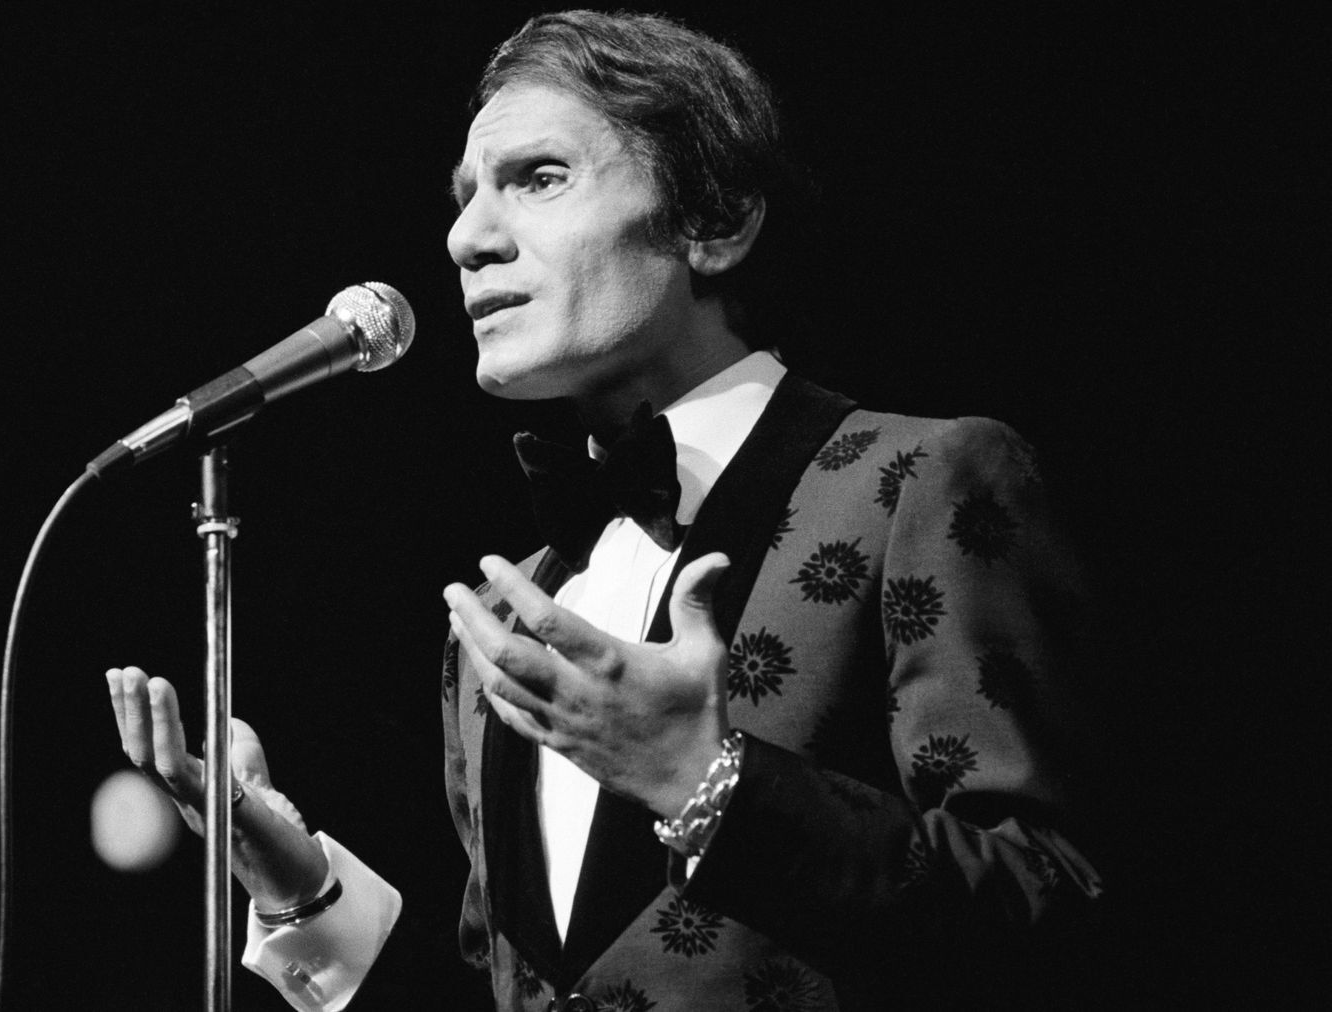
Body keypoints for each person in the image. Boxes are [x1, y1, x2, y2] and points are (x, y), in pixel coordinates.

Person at [107, 10, 1104, 1010]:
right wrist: (302, 891)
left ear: (715, 220)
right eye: (465, 197)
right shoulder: (498, 626)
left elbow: (1052, 904)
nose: (466, 238)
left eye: (539, 178)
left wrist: (706, 780)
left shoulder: (923, 479)